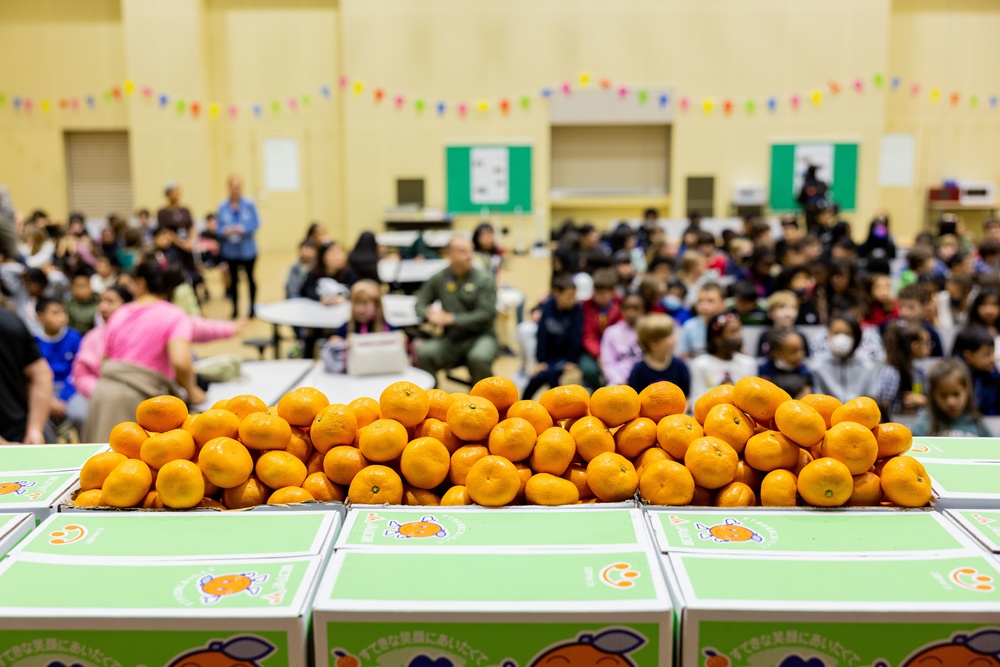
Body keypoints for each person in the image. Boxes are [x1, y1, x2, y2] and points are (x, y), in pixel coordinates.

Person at [83, 260, 203, 442]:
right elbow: (181, 361)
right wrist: (192, 390)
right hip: (141, 399)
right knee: (135, 464)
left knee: (102, 461)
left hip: (103, 395)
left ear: (141, 283)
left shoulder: (121, 313)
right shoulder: (174, 315)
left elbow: (105, 359)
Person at [415, 237, 498, 384]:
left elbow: (486, 315)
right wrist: (429, 314)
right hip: (452, 339)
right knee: (425, 353)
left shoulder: (484, 279)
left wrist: (451, 319)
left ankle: (484, 402)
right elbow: (420, 303)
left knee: (479, 357)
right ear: (449, 255)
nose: (469, 255)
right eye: (462, 251)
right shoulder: (440, 278)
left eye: (471, 251)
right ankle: (432, 401)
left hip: (481, 336)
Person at [522, 274, 583, 399]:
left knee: (550, 373)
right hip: (549, 357)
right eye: (568, 297)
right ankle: (521, 404)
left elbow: (576, 338)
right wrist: (540, 361)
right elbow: (542, 336)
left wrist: (571, 361)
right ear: (556, 294)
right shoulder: (548, 306)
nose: (572, 300)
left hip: (565, 357)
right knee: (539, 376)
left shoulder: (577, 310)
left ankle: (558, 405)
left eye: (574, 296)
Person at [0, 306, 52, 444]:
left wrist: (35, 430)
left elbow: (41, 375)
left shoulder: (10, 322)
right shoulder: (11, 320)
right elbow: (41, 374)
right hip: (19, 437)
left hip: (20, 436)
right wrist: (34, 430)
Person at [33, 298, 82, 434]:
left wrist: (62, 398)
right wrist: (49, 400)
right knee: (39, 422)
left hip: (70, 388)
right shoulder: (33, 341)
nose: (62, 317)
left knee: (81, 415)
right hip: (43, 390)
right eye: (55, 313)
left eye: (63, 312)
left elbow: (77, 371)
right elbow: (34, 376)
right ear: (40, 317)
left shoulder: (74, 337)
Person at [911, 359, 992, 437]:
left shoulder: (977, 424)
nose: (951, 402)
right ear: (933, 395)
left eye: (956, 394)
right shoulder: (923, 424)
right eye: (943, 395)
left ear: (967, 390)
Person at [810, 314, 881, 403]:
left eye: (847, 334)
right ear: (828, 334)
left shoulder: (867, 367)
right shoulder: (817, 367)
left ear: (856, 337)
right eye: (836, 333)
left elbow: (872, 399)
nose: (841, 338)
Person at [216, 174, 259, 318]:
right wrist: (225, 231)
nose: (235, 190)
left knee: (250, 279)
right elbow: (218, 227)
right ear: (229, 188)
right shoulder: (222, 206)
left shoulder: (249, 204)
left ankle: (252, 308)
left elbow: (256, 223)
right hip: (230, 250)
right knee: (233, 281)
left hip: (247, 249)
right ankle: (235, 309)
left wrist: (244, 229)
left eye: (238, 187)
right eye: (233, 187)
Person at [688, 313, 757, 402]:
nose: (739, 336)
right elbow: (696, 401)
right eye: (733, 332)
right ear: (717, 339)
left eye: (739, 331)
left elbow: (752, 401)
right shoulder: (700, 364)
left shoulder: (749, 363)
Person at [579, 268, 622, 390]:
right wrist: (599, 354)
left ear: (612, 292)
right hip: (594, 351)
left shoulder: (621, 304)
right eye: (597, 292)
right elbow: (587, 334)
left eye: (604, 293)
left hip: (616, 350)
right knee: (589, 370)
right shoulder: (586, 306)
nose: (600, 296)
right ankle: (599, 392)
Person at [627, 313, 689, 395]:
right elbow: (635, 400)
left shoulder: (680, 366)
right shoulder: (639, 370)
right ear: (652, 343)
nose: (674, 339)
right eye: (668, 336)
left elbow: (686, 396)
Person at [878, 323, 931, 419]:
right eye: (926, 343)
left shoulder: (919, 371)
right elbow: (884, 406)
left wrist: (923, 401)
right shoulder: (891, 373)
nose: (929, 347)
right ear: (915, 346)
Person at [952, 325, 1000, 417]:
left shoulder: (995, 376)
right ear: (968, 356)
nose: (993, 359)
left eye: (992, 353)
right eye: (987, 355)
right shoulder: (956, 379)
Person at [600, 292, 646, 387]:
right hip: (619, 383)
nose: (631, 313)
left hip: (645, 382)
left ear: (643, 310)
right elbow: (607, 364)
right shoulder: (611, 332)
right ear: (622, 310)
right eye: (627, 308)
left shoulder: (649, 331)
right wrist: (619, 381)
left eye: (636, 308)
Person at [888, 283, 944, 357]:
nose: (905, 312)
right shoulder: (891, 329)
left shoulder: (932, 333)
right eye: (901, 306)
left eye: (911, 307)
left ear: (924, 306)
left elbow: (938, 360)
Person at [758, 328, 813, 398]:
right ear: (775, 353)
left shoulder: (805, 372)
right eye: (793, 352)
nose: (800, 355)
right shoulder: (763, 371)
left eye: (801, 349)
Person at [678, 282, 725, 359]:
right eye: (700, 301)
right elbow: (683, 356)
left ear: (723, 303)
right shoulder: (689, 326)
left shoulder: (729, 326)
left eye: (710, 301)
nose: (704, 306)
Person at [757, 290, 809, 358]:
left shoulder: (801, 336)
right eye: (782, 307)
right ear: (770, 313)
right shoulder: (765, 336)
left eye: (793, 308)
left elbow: (806, 360)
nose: (788, 313)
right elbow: (761, 360)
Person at [156, 182, 194, 246]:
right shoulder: (163, 212)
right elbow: (165, 231)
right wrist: (181, 244)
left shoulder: (185, 210)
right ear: (168, 194)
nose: (177, 193)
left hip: (188, 243)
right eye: (174, 191)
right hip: (173, 244)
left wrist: (190, 241)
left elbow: (191, 227)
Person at [65, 266, 100, 334]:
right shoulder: (68, 304)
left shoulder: (99, 301)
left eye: (85, 285)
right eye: (79, 286)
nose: (83, 290)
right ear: (72, 288)